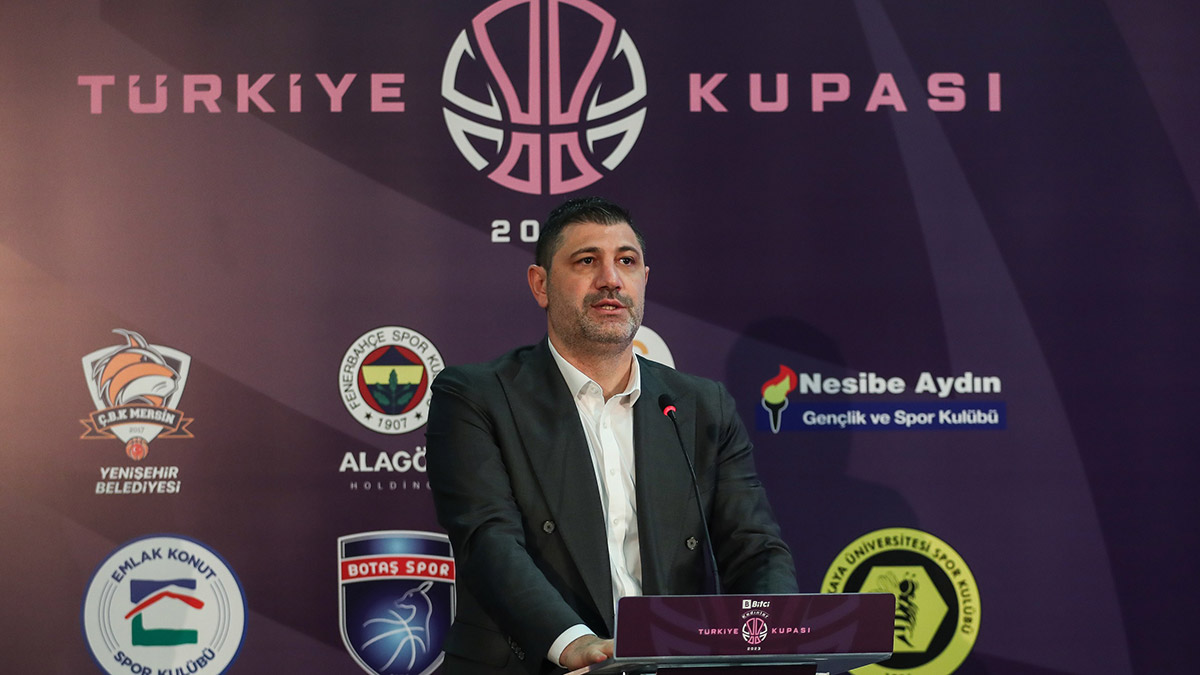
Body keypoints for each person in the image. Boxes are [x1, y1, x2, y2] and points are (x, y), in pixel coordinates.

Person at [425, 197, 797, 675]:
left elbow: (754, 548)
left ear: (644, 280)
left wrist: (777, 639)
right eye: (586, 261)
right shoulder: (475, 396)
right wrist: (576, 643)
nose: (611, 279)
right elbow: (488, 541)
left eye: (626, 261)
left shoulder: (702, 406)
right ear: (540, 284)